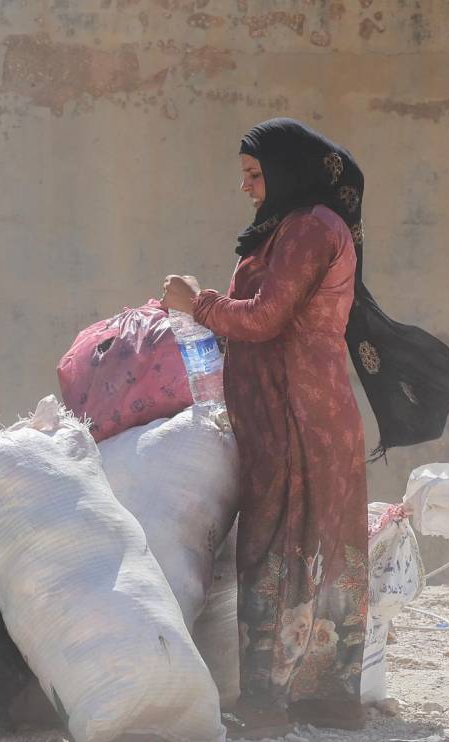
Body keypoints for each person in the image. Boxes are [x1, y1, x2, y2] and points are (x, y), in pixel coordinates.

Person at [161, 118, 369, 737]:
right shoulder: (292, 226)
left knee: (283, 542)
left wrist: (195, 302)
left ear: (286, 170)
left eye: (256, 175)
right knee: (303, 538)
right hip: (290, 411)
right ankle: (318, 698)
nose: (248, 188)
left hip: (300, 415)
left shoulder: (309, 229)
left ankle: (268, 705)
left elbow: (267, 317)